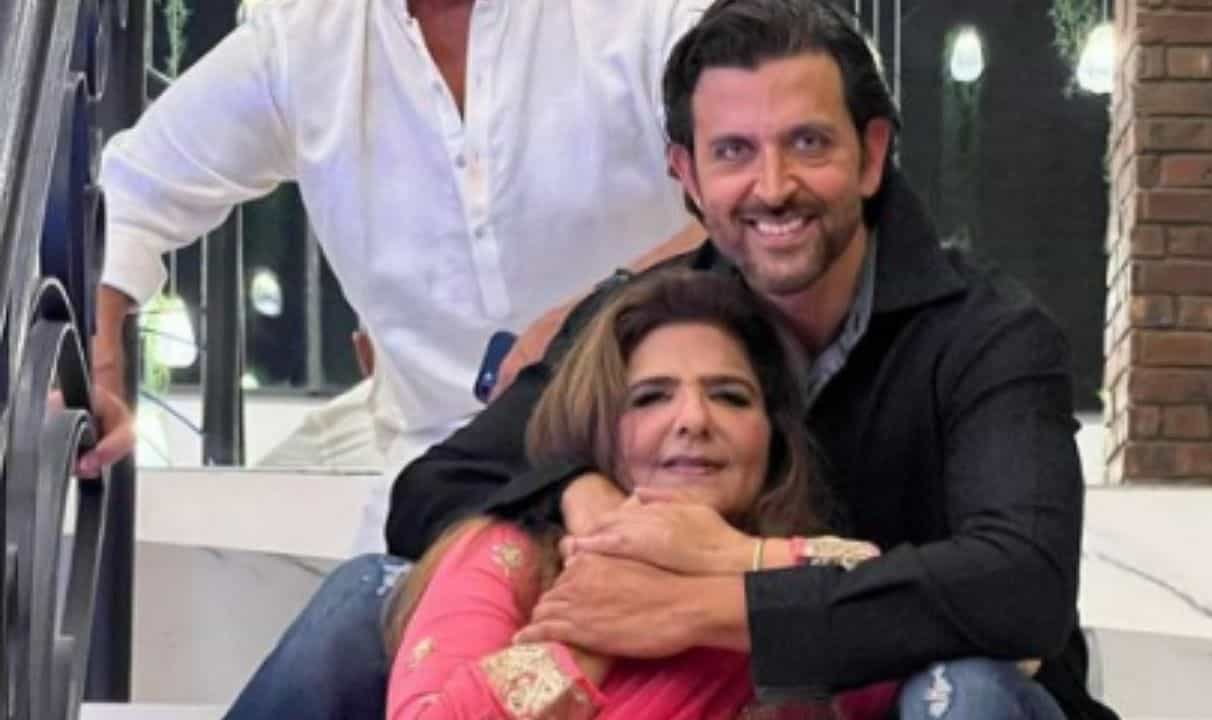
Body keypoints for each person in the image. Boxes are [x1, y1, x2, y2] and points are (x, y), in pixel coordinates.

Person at [380, 1, 1119, 718]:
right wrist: (583, 499)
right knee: (367, 596)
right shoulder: (647, 323)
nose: (772, 187)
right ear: (688, 176)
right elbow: (434, 487)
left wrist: (706, 595)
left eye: (808, 143)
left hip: (937, 702)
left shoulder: (990, 336)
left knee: (962, 690)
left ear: (871, 155)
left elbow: (1023, 586)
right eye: (734, 151)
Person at [85, 0, 710, 533]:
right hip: (442, 488)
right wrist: (100, 365)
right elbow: (130, 194)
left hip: (669, 453)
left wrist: (595, 317)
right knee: (342, 631)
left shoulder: (649, 18)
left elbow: (751, 197)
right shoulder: (305, 38)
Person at [383, 269, 905, 718]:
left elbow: (902, 613)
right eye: (651, 398)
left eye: (730, 397)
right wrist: (588, 631)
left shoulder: (802, 585)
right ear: (599, 428)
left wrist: (727, 559)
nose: (694, 420)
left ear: (772, 436)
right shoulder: (511, 558)